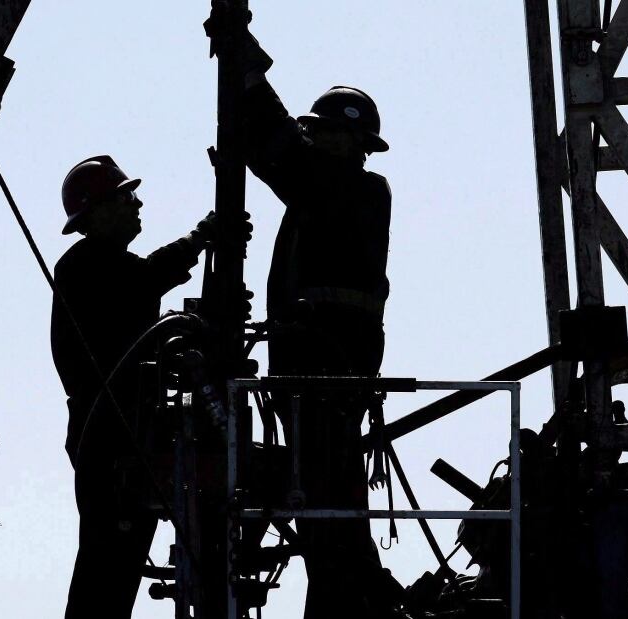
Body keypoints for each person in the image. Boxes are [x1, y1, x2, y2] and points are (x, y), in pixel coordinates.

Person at [235, 32, 398, 618]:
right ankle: (343, 599)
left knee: (328, 497)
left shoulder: (358, 191)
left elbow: (284, 154)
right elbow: (280, 156)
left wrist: (248, 71)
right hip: (307, 373)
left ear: (358, 146)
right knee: (319, 497)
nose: (322, 139)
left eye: (332, 133)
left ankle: (356, 597)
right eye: (319, 131)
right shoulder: (319, 195)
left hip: (330, 370)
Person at [50, 155, 216, 619]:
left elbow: (139, 290)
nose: (137, 203)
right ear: (98, 210)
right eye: (126, 197)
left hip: (127, 433)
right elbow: (142, 282)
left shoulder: (107, 267)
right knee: (107, 563)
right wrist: (199, 239)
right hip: (107, 437)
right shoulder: (84, 268)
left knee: (116, 565)